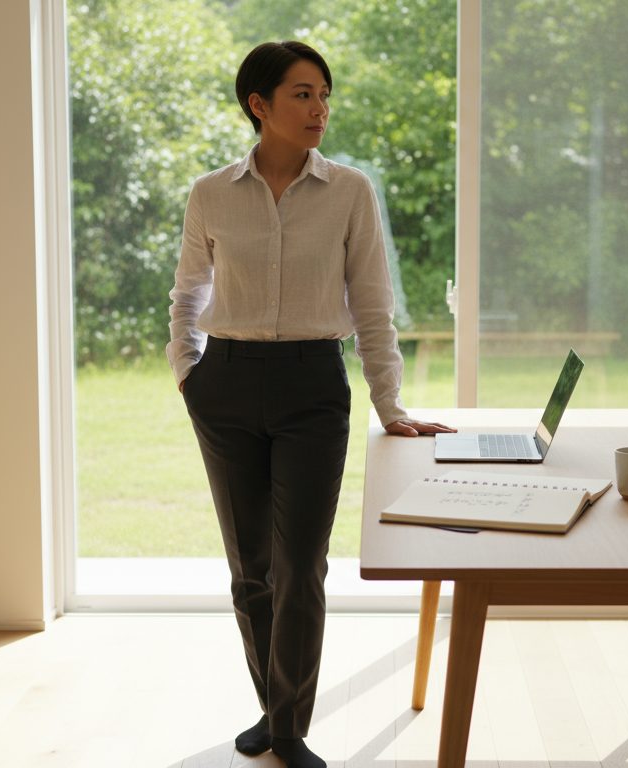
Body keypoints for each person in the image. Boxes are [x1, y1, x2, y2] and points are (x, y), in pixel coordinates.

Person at [165, 40, 455, 768]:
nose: (319, 108)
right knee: (250, 568)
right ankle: (273, 707)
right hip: (224, 384)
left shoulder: (351, 190)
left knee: (302, 563)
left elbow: (373, 304)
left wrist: (390, 404)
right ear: (258, 105)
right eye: (301, 94)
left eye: (324, 93)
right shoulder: (210, 192)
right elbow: (188, 294)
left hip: (313, 388)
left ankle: (289, 728)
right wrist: (187, 371)